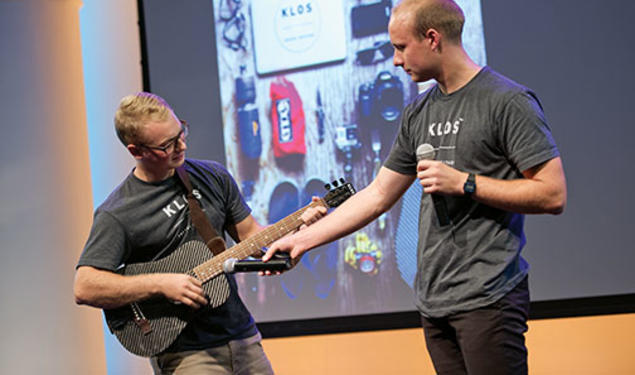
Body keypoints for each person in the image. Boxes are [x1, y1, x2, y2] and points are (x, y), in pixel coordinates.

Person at [263, 0, 567, 374]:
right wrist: (302, 241)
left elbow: (552, 194)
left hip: (489, 297)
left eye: (401, 47)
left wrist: (465, 183)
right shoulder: (418, 111)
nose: (394, 59)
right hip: (435, 300)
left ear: (433, 38)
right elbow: (376, 196)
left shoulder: (506, 101)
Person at [73, 92, 325, 374]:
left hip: (241, 335)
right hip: (185, 353)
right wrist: (160, 284)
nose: (182, 145)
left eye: (181, 132)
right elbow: (85, 286)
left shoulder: (213, 177)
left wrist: (298, 226)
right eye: (167, 144)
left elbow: (251, 237)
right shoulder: (118, 212)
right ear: (136, 151)